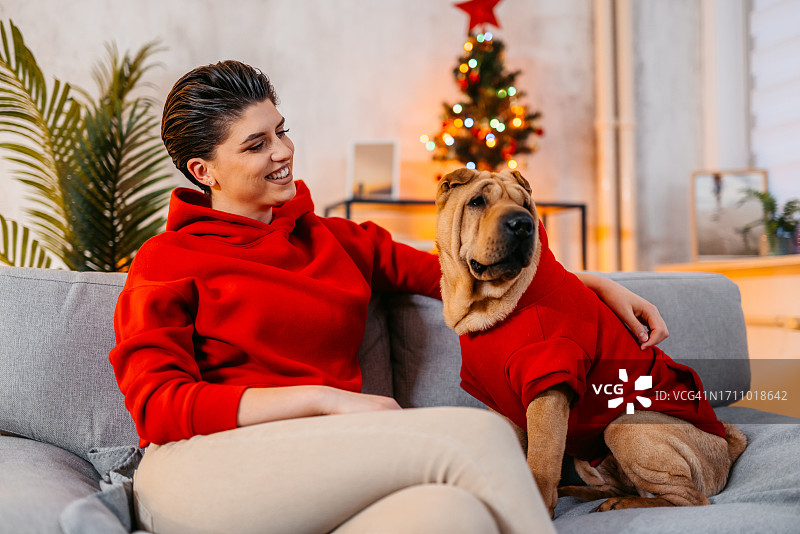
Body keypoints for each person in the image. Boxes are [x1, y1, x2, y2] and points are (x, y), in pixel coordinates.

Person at [110, 60, 668, 534]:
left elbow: (465, 274)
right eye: (257, 144)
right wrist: (325, 400)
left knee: (454, 514)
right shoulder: (166, 260)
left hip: (323, 464)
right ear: (202, 170)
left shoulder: (335, 240)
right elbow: (158, 407)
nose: (282, 152)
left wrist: (598, 285)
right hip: (201, 470)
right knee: (481, 437)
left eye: (282, 130)